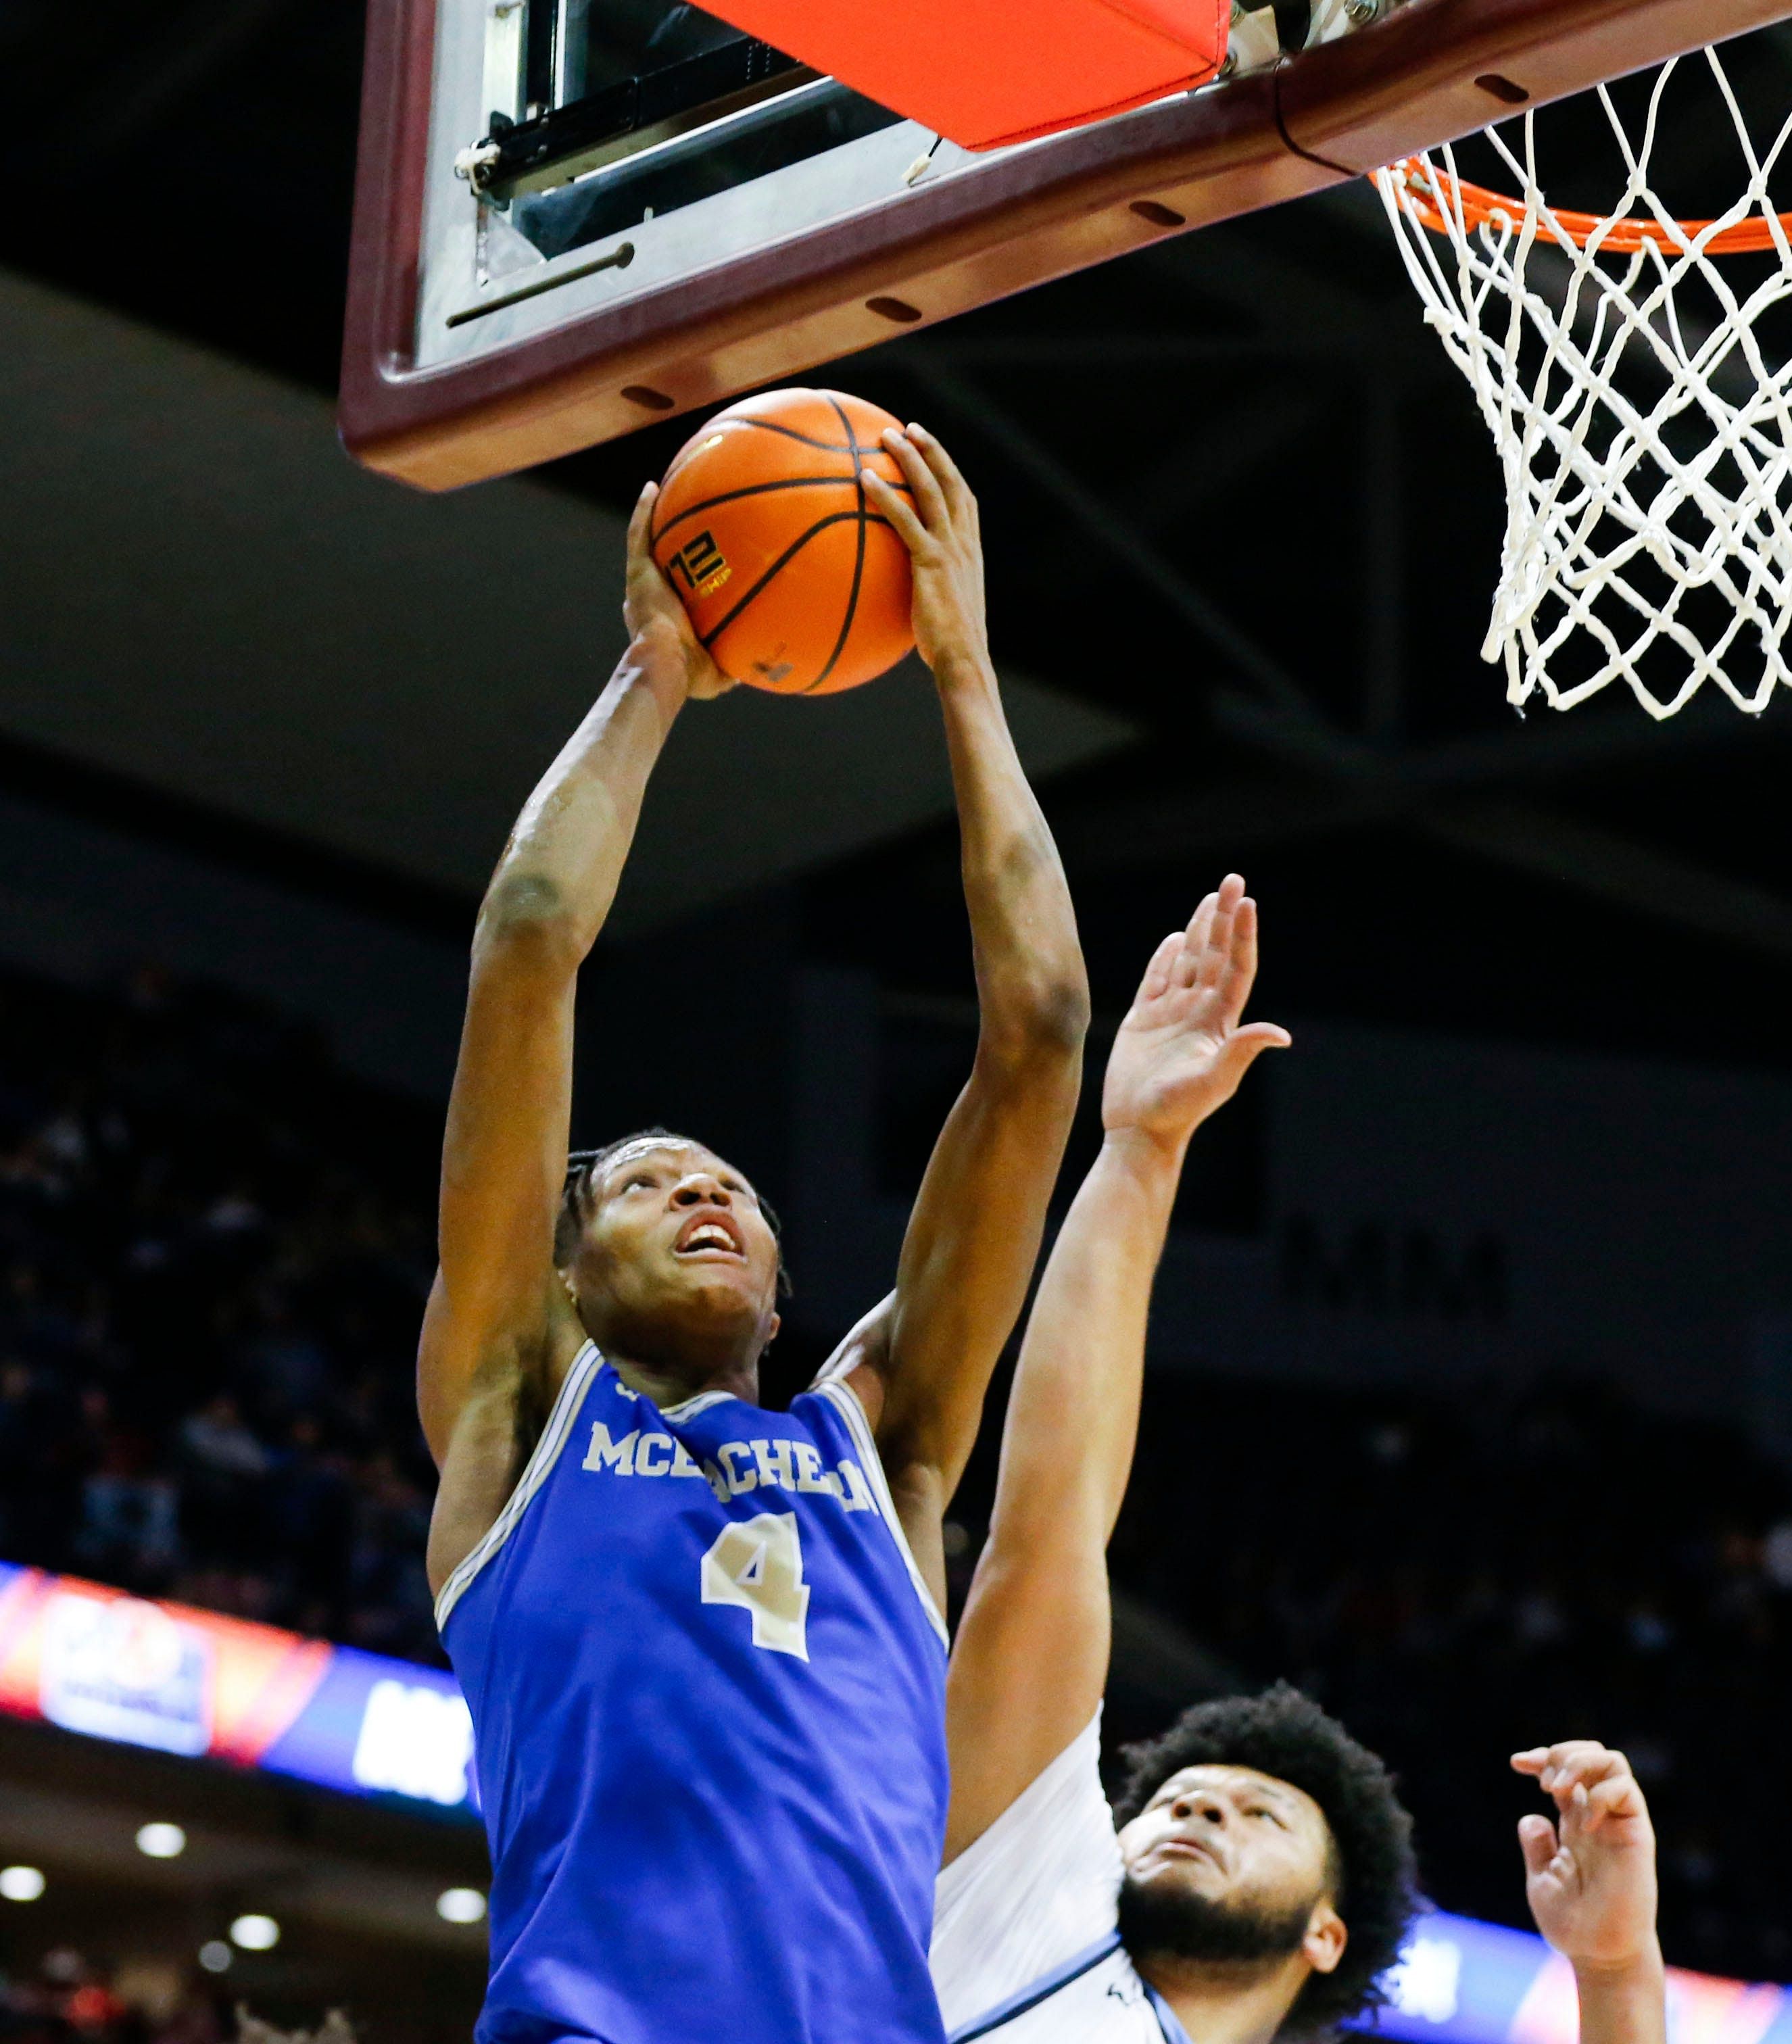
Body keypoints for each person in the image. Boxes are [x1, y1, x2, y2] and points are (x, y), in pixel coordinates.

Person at [419, 422, 1088, 2044]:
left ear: (789, 1292)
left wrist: (965, 676)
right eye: (643, 1185)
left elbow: (1044, 1033)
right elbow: (526, 936)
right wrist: (655, 669)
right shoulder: (522, 1408)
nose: (700, 1192)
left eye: (725, 1185)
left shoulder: (889, 1448)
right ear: (566, 1276)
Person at [929, 879, 1668, 2044]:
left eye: (1257, 1815)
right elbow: (1046, 1529)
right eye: (1178, 1801)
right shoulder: (1015, 1903)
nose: (1200, 1810)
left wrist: (1618, 1969)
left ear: (1327, 1931)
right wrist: (1140, 1150)